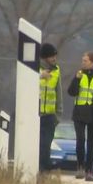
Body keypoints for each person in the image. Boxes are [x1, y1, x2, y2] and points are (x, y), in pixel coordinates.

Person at [67, 52, 93, 182]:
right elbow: (71, 92)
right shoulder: (79, 74)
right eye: (82, 60)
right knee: (80, 140)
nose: (83, 63)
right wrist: (76, 79)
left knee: (91, 142)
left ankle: (89, 171)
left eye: (85, 61)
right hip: (79, 111)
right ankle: (80, 167)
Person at [39, 42, 63, 173]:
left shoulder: (57, 70)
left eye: (55, 56)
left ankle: (44, 171)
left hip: (50, 116)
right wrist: (40, 76)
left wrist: (58, 115)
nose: (54, 58)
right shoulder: (34, 69)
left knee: (46, 144)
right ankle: (39, 169)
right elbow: (25, 84)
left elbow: (58, 93)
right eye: (52, 56)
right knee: (38, 144)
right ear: (45, 57)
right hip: (36, 114)